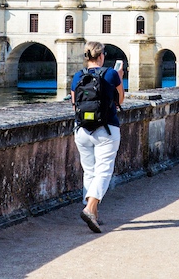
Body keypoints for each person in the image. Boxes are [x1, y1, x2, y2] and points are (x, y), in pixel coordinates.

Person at [71, 41, 125, 233]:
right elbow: (119, 100)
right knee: (104, 171)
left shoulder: (78, 75)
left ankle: (93, 213)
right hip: (106, 129)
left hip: (82, 130)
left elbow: (73, 103)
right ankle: (90, 208)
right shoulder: (110, 73)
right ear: (101, 56)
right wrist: (118, 78)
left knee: (90, 172)